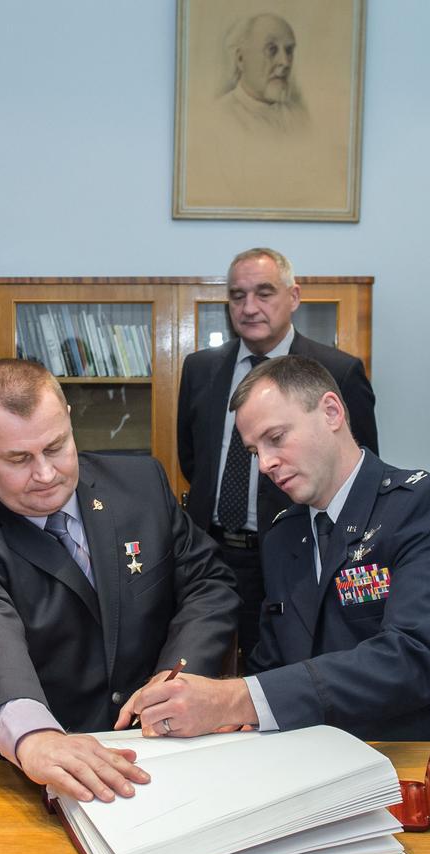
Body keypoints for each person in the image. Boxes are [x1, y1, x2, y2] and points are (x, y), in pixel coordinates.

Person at [121, 356, 430, 742]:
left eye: (276, 438)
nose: (266, 465)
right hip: (324, 761)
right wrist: (216, 712)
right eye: (255, 452)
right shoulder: (284, 536)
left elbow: (413, 659)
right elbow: (273, 665)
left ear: (331, 412)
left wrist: (235, 699)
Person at [0, 359, 237, 803]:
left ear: (70, 423)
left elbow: (208, 584)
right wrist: (34, 736)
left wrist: (176, 677)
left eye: (56, 447)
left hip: (164, 751)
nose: (45, 474)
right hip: (45, 766)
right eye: (18, 459)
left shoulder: (141, 484)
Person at [178, 247, 377, 658]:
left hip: (299, 548)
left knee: (282, 663)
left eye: (264, 293)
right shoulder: (200, 368)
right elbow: (191, 458)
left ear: (294, 296)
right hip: (211, 551)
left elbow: (358, 462)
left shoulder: (336, 370)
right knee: (203, 661)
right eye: (237, 295)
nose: (249, 307)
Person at [213, 13, 309, 136]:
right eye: (272, 49)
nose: (285, 62)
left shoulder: (300, 118)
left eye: (289, 51)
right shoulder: (219, 116)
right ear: (241, 59)